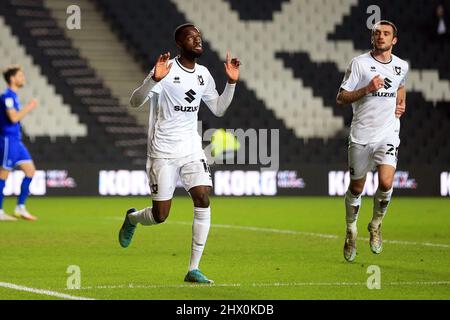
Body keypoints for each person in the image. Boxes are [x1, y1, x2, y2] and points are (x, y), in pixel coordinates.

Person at [119, 23, 241, 283]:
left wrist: (230, 83)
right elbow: (135, 101)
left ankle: (193, 269)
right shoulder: (166, 69)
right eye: (191, 37)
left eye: (199, 36)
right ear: (179, 44)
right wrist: (154, 79)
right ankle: (132, 219)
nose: (197, 40)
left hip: (191, 148)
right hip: (162, 150)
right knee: (160, 215)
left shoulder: (204, 74)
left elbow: (218, 109)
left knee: (202, 196)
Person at [336, 20, 408, 262]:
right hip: (361, 135)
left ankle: (376, 225)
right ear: (372, 38)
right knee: (357, 187)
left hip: (388, 134)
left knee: (386, 182)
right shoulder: (359, 64)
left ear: (393, 40)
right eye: (377, 33)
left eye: (386, 33)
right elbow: (341, 97)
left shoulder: (401, 66)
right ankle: (351, 230)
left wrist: (401, 100)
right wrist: (367, 89)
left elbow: (401, 85)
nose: (380, 36)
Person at [0, 65, 38, 222]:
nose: (23, 78)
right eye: (20, 76)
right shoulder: (7, 97)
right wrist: (29, 107)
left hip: (17, 141)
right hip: (7, 140)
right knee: (3, 174)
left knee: (30, 171)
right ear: (12, 79)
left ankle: (20, 207)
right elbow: (13, 118)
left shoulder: (14, 97)